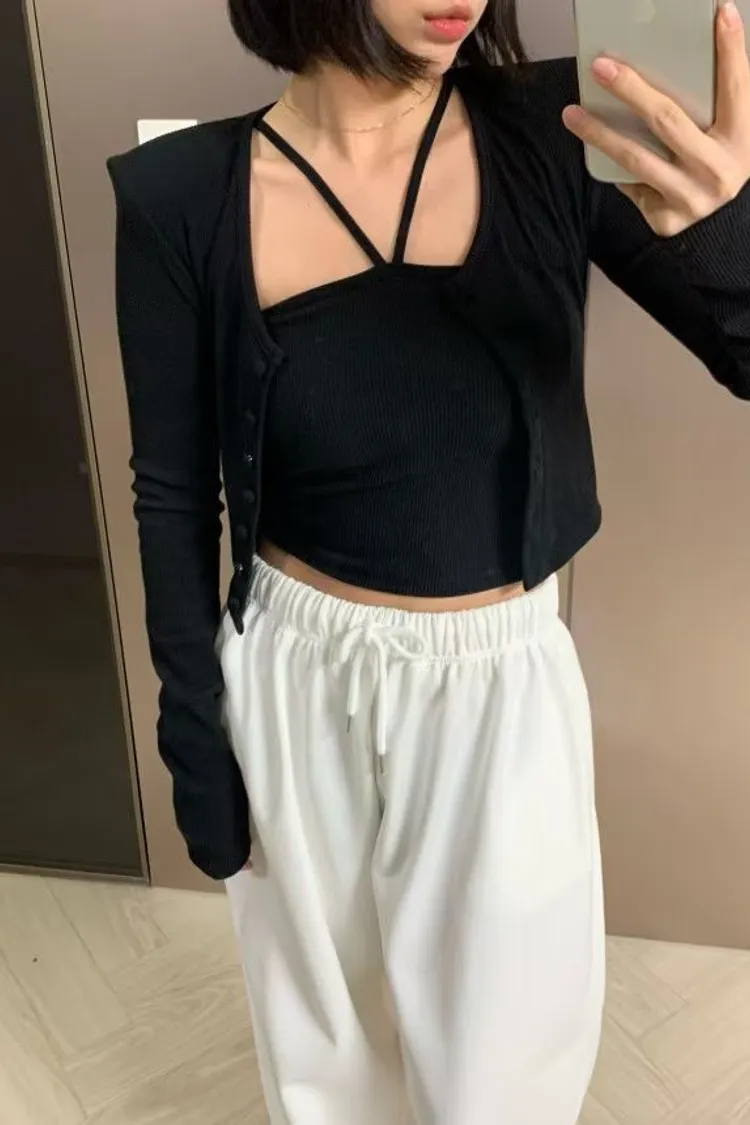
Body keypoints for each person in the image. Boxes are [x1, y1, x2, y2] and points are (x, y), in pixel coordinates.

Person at [107, 1, 750, 1121]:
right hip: (291, 675)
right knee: (327, 1054)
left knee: (508, 1063)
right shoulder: (181, 193)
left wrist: (727, 234)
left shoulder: (559, 132)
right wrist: (192, 731)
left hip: (497, 682)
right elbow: (171, 490)